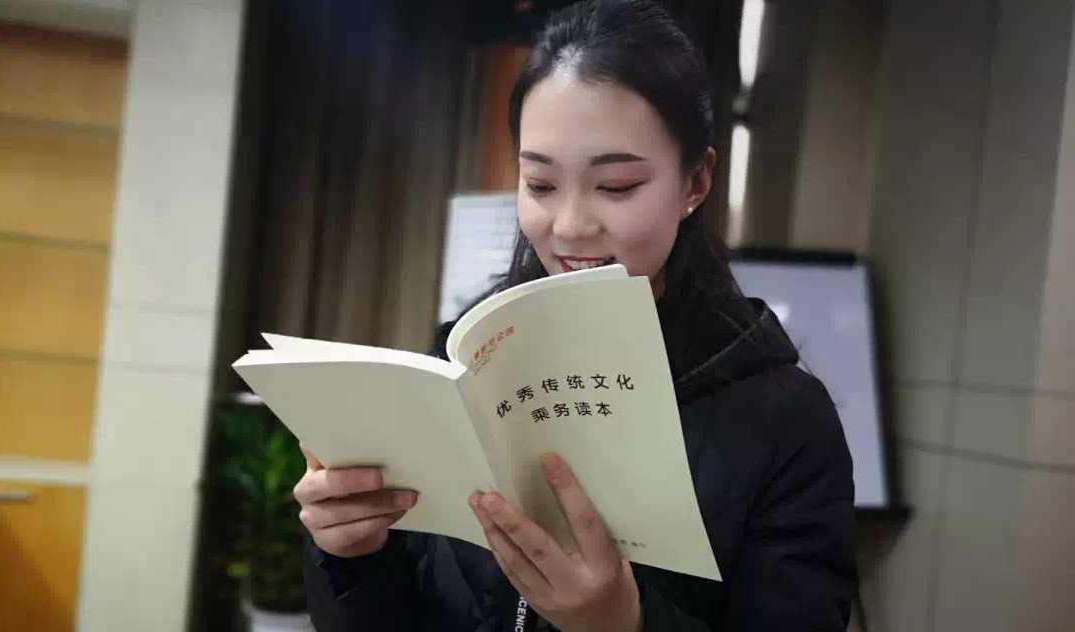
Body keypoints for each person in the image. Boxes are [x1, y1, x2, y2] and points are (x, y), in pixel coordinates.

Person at [296, 0, 858, 629]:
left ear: (696, 182)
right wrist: (352, 556)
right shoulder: (462, 362)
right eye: (540, 185)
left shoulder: (786, 424)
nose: (569, 226)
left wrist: (624, 623)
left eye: (616, 187)